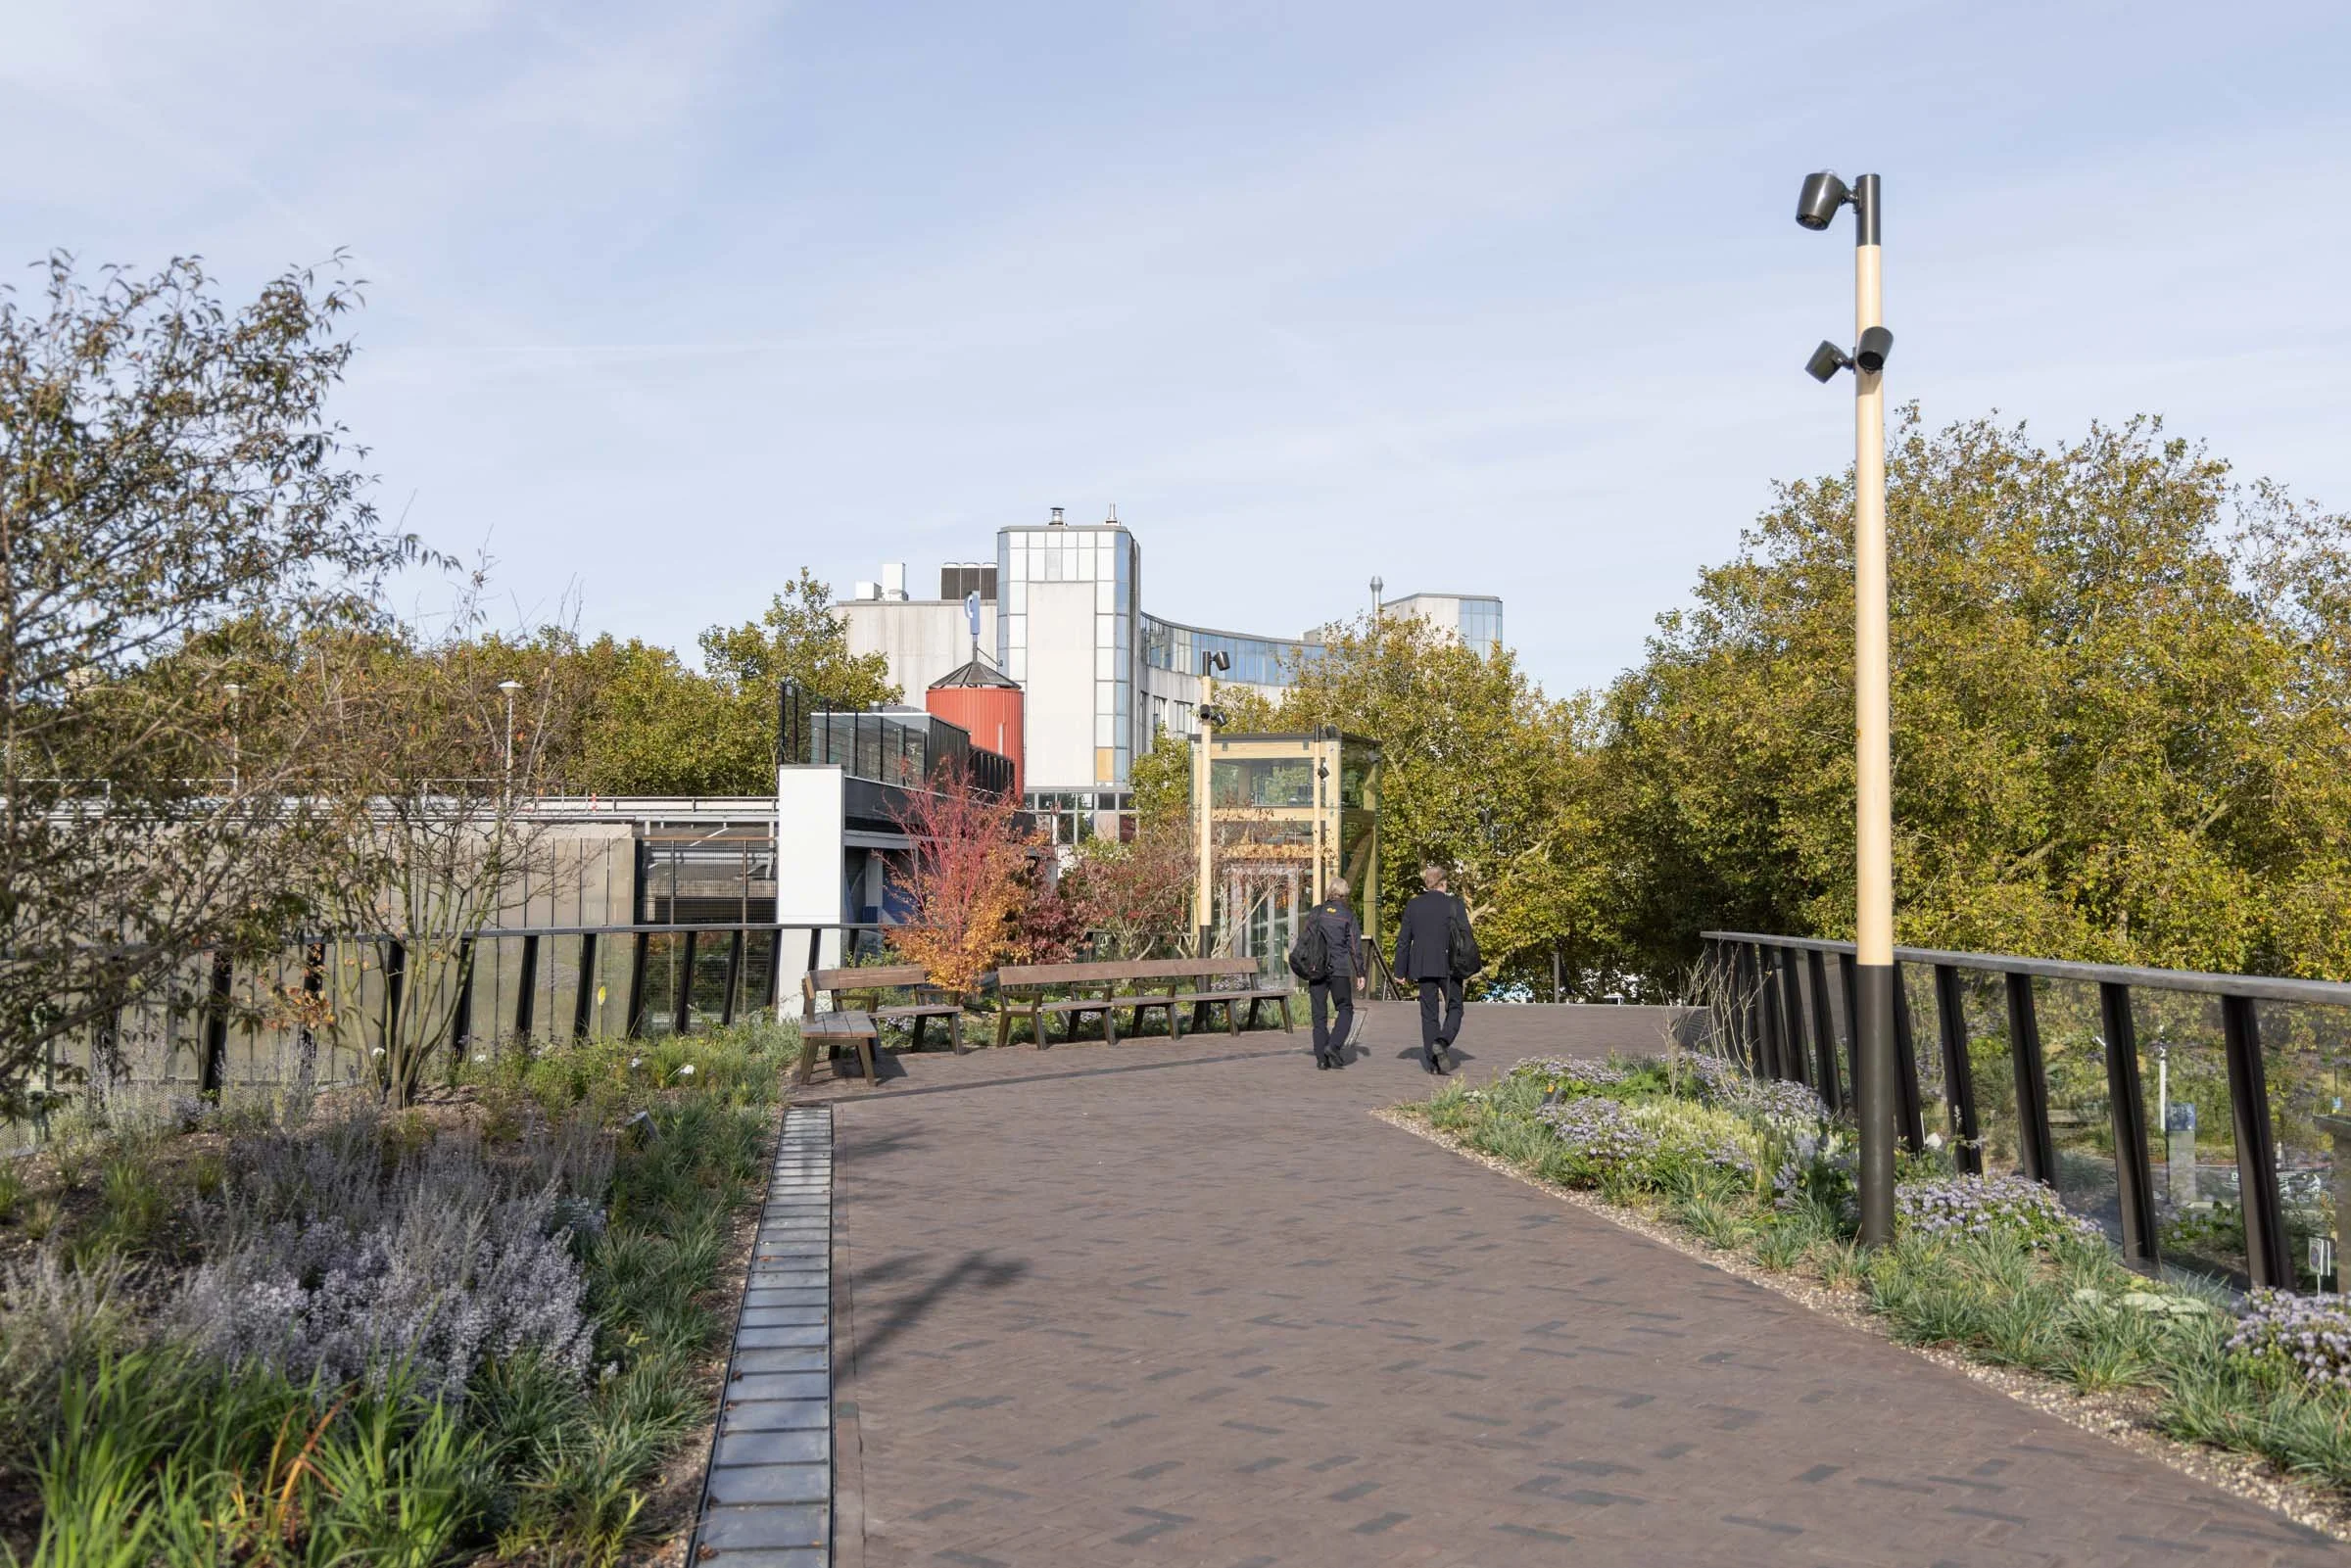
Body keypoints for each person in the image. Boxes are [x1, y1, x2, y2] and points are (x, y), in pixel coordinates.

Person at [1394, 863, 1471, 1074]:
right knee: (1455, 1007)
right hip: (1450, 966)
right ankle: (1443, 1041)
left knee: (1428, 1014)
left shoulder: (1413, 905)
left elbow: (1403, 941)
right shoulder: (1454, 905)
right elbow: (1465, 936)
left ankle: (1433, 1064)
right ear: (1443, 883)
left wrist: (1399, 971)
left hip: (1423, 966)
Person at [1304, 879, 1364, 1070]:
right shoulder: (1348, 916)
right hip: (1339, 969)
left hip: (1317, 969)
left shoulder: (1317, 912)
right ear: (1345, 895)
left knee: (1319, 1015)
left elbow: (1306, 938)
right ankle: (1334, 1045)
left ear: (1329, 892)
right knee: (1345, 1008)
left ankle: (1321, 1059)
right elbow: (1355, 946)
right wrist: (1360, 972)